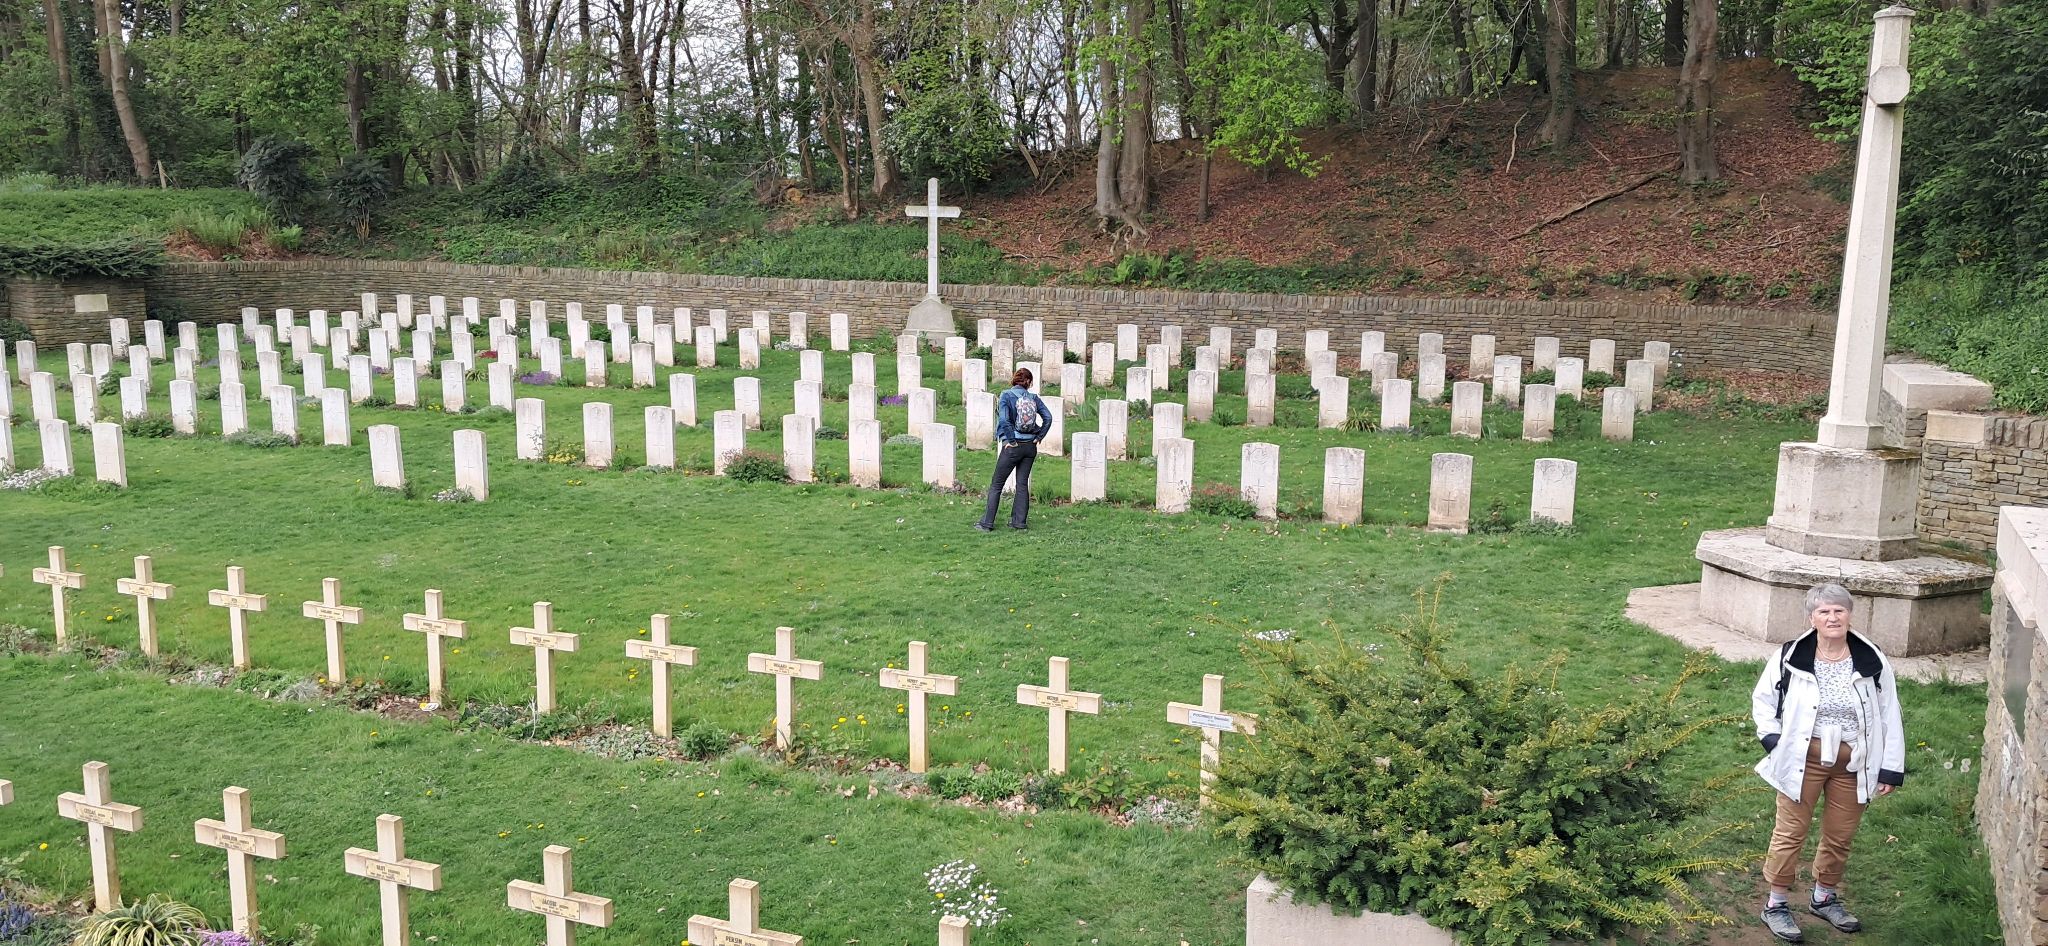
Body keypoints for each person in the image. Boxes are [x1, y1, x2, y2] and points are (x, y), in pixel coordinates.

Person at [1750, 582, 1905, 943]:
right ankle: (1776, 904)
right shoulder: (1791, 655)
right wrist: (1774, 742)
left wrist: (1890, 767)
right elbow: (1763, 700)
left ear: (1849, 615)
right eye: (1824, 611)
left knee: (1840, 835)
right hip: (1803, 760)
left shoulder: (1871, 659)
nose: (1832, 617)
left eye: (1839, 610)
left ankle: (1823, 897)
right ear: (1812, 618)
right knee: (1790, 832)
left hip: (1854, 764)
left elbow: (1889, 712)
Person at [976, 367, 1052, 532]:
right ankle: (1019, 522)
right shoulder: (1034, 398)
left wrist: (1010, 440)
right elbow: (1048, 417)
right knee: (1022, 484)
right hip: (1030, 447)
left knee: (997, 484)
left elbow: (1004, 420)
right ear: (1029, 382)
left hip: (1013, 447)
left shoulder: (1006, 395)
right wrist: (1039, 436)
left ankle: (986, 523)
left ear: (1014, 379)